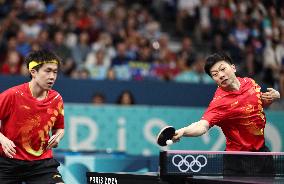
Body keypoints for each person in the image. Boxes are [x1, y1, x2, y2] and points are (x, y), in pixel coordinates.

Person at [172, 52, 280, 176]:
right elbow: (202, 125)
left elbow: (257, 104)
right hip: (236, 162)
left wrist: (275, 96)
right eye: (215, 75)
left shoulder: (249, 83)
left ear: (233, 68)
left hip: (262, 155)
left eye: (223, 69)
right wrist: (183, 131)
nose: (221, 75)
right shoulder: (220, 102)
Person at [0, 50, 65, 183]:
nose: (52, 76)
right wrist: (2, 139)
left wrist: (58, 137)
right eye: (47, 71)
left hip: (41, 164)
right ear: (33, 72)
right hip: (8, 163)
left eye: (55, 72)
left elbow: (60, 128)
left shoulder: (56, 99)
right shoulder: (13, 95)